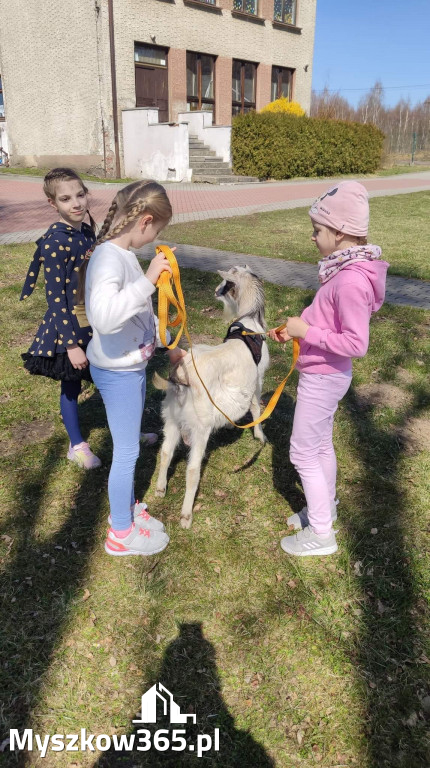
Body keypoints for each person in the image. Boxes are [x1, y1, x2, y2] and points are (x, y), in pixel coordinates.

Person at [268, 181, 389, 557]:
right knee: (320, 445)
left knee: (302, 452)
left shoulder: (351, 280)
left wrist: (308, 331)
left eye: (318, 230)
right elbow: (327, 317)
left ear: (340, 233)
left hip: (324, 377)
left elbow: (357, 343)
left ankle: (321, 534)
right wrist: (297, 328)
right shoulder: (343, 269)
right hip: (322, 372)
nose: (312, 236)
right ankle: (325, 507)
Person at [80, 180, 186, 557]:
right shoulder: (109, 258)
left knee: (129, 449)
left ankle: (126, 510)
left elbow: (137, 312)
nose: (156, 236)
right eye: (158, 229)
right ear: (144, 221)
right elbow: (105, 318)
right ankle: (120, 534)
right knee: (126, 452)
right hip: (118, 371)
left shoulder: (123, 254)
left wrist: (166, 342)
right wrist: (147, 281)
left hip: (130, 366)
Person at [20, 167, 101, 469]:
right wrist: (71, 345)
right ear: (53, 204)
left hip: (91, 317)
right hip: (67, 326)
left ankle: (124, 430)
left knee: (106, 375)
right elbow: (55, 299)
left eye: (80, 195)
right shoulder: (55, 242)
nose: (76, 204)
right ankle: (76, 444)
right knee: (71, 384)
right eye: (66, 199)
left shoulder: (86, 231)